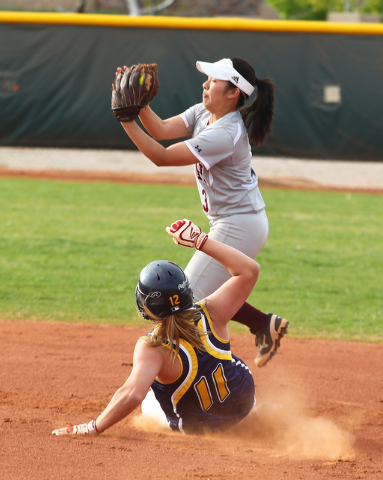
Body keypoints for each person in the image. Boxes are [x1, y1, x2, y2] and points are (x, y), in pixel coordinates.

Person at [116, 57, 288, 367]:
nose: (205, 84)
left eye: (214, 80)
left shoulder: (226, 133)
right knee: (198, 298)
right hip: (234, 221)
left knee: (183, 305)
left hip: (239, 225)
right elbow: (160, 129)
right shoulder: (203, 113)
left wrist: (125, 119)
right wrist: (139, 106)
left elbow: (162, 157)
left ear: (233, 92)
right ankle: (263, 325)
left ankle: (224, 373)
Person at [52, 218, 259, 436]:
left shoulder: (152, 346)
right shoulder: (212, 311)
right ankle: (255, 413)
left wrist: (92, 427)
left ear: (147, 305)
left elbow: (132, 394)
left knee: (149, 399)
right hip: (243, 410)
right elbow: (249, 270)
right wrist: (200, 240)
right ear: (187, 291)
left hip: (200, 429)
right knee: (228, 360)